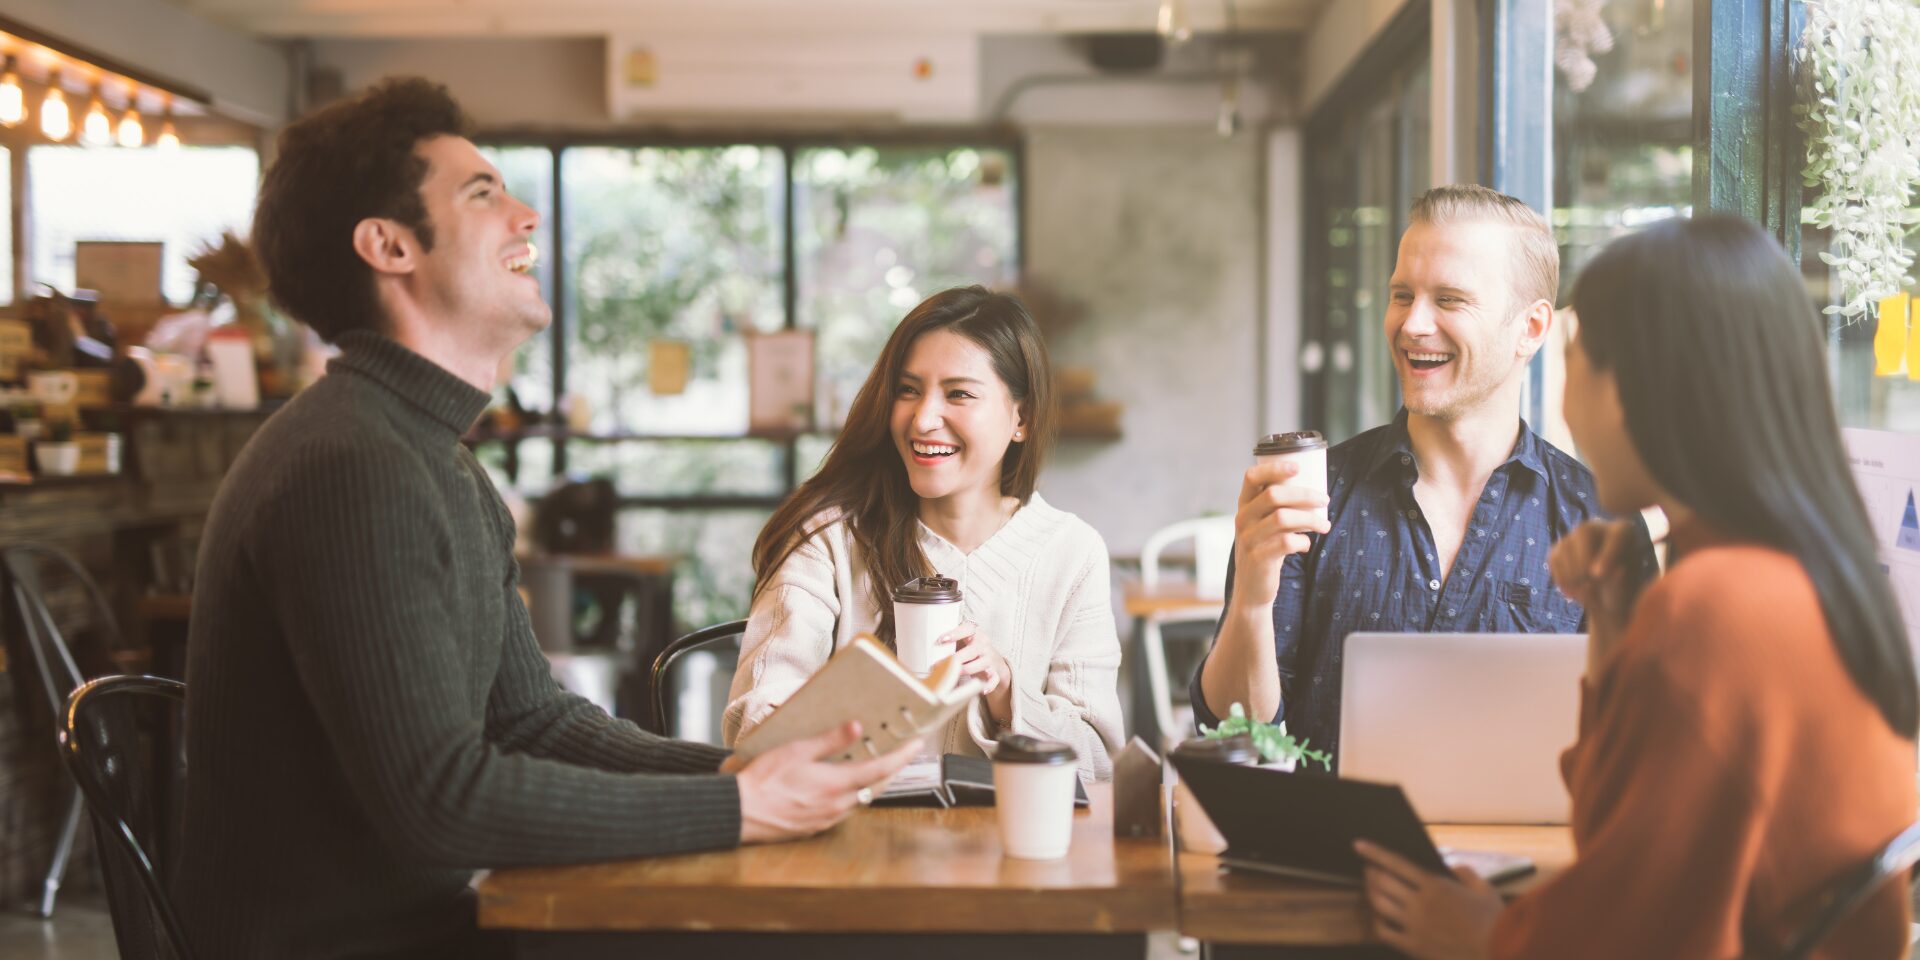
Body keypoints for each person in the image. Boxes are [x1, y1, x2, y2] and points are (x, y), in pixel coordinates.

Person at [175, 78, 917, 960]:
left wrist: (740, 770)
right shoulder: (353, 463)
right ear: (388, 246)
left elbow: (533, 723)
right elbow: (438, 805)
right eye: (483, 193)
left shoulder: (433, 455)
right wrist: (740, 807)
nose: (527, 215)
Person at [1355, 215, 1920, 959]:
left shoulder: (1716, 611)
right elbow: (1622, 838)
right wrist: (1614, 623)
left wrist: (1483, 936)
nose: (1563, 406)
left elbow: (1636, 939)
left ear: (1636, 390)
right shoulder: (1802, 576)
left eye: (1577, 359)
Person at [1191, 184, 1651, 765]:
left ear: (1531, 329)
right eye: (1402, 295)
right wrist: (1252, 605)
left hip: (1529, 855)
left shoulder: (1600, 518)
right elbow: (1237, 741)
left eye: (1450, 300)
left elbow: (1638, 751)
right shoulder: (1310, 498)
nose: (1412, 324)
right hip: (1325, 853)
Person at [724, 286, 1124, 780]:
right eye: (908, 390)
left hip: (1007, 847)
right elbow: (753, 731)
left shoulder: (1072, 552)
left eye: (958, 394)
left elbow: (1100, 766)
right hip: (855, 845)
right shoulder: (827, 540)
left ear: (1021, 418)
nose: (923, 418)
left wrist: (1004, 694)